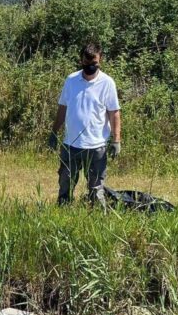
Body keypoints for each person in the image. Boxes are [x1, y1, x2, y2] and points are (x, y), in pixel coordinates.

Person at [48, 43, 122, 207]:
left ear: (100, 59)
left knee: (96, 187)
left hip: (96, 146)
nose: (90, 66)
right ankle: (63, 209)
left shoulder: (107, 83)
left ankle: (96, 214)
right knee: (65, 181)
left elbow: (114, 112)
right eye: (86, 63)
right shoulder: (71, 80)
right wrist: (54, 132)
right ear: (81, 60)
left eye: (94, 63)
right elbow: (63, 108)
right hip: (70, 144)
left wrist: (116, 140)